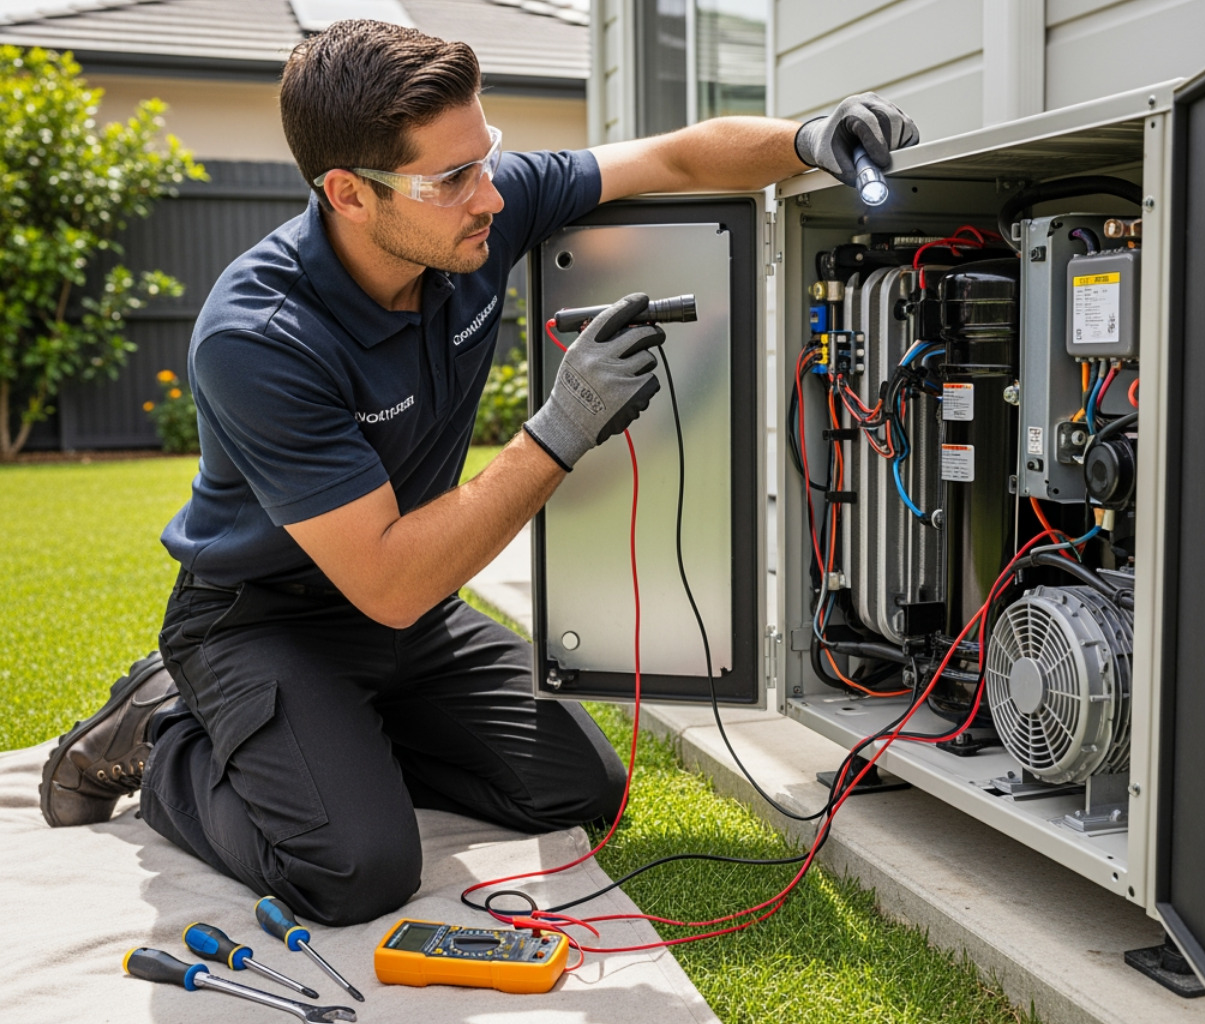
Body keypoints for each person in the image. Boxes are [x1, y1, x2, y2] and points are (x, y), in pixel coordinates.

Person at [38, 19, 918, 927]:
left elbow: (678, 158)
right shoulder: (259, 337)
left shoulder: (465, 221)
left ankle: (333, 743)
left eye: (486, 156)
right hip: (265, 620)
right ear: (348, 192)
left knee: (577, 787)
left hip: (410, 618)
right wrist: (561, 431)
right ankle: (164, 735)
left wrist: (809, 138)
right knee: (353, 872)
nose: (490, 197)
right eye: (454, 177)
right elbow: (385, 577)